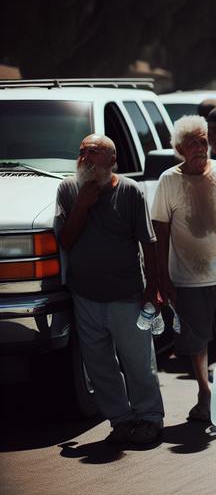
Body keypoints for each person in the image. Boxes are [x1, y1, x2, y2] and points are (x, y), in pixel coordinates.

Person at [54, 135, 165, 446]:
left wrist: (154, 288)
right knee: (99, 364)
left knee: (138, 362)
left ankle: (150, 418)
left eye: (95, 152)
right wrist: (82, 206)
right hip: (85, 295)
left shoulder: (129, 190)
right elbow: (66, 241)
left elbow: (149, 241)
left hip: (127, 294)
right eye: (82, 152)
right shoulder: (68, 189)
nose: (86, 158)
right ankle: (121, 420)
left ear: (112, 161)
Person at [151, 116, 216, 423]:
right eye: (193, 142)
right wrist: (161, 276)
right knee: (196, 342)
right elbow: (161, 232)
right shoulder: (169, 180)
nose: (200, 147)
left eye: (203, 141)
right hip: (188, 278)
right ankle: (204, 393)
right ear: (180, 148)